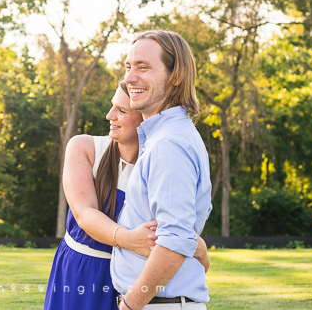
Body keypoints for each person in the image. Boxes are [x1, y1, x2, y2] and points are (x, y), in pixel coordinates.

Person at [44, 81, 210, 310]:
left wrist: (199, 249)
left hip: (132, 282)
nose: (109, 115)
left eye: (122, 111)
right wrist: (129, 240)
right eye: (113, 106)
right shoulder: (84, 148)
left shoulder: (161, 162)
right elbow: (84, 213)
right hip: (79, 272)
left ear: (145, 119)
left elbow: (177, 232)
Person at [112, 30, 213, 310]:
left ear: (176, 76)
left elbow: (175, 240)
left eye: (143, 67)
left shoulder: (169, 144)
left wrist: (130, 305)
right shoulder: (162, 137)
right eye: (129, 66)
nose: (130, 78)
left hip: (158, 305)